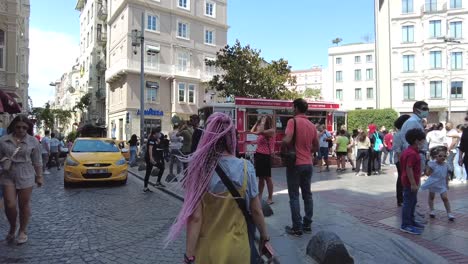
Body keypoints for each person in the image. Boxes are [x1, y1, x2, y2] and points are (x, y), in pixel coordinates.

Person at [165, 112, 270, 263]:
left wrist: (188, 257)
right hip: (238, 251)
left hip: (208, 252)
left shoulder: (199, 170)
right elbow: (256, 210)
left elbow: (195, 218)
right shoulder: (247, 168)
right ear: (231, 138)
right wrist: (264, 236)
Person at [0, 115, 43, 244]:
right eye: (18, 127)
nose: (21, 129)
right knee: (10, 203)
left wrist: (39, 176)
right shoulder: (3, 140)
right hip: (8, 173)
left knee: (23, 204)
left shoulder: (33, 141)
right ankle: (13, 226)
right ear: (13, 126)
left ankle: (22, 230)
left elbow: (37, 160)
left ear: (28, 128)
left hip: (26, 173)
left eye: (24, 127)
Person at [282, 98, 319, 236]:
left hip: (295, 163)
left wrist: (282, 146)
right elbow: (316, 146)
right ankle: (307, 224)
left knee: (294, 196)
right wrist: (306, 151)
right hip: (308, 164)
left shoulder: (293, 121)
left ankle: (297, 227)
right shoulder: (311, 125)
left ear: (296, 108)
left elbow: (287, 139)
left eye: (293, 107)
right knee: (307, 194)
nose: (292, 109)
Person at [399, 128, 427, 235]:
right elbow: (409, 168)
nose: (423, 142)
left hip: (410, 182)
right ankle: (405, 225)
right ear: (416, 141)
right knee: (408, 203)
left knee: (412, 202)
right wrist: (413, 183)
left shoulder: (410, 151)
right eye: (422, 140)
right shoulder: (412, 154)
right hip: (410, 183)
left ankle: (411, 221)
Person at [420, 146, 455, 221]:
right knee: (431, 197)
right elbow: (427, 174)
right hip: (433, 182)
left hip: (442, 183)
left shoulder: (446, 165)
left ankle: (449, 213)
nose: (443, 157)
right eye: (440, 156)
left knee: (445, 198)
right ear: (436, 156)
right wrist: (428, 169)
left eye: (444, 156)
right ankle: (432, 210)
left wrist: (447, 184)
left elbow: (446, 175)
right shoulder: (432, 164)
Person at [251, 115, 275, 205]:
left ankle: (270, 198)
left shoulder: (271, 131)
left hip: (266, 156)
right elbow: (252, 131)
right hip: (259, 155)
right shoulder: (262, 131)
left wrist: (263, 121)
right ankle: (260, 196)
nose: (262, 121)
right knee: (261, 178)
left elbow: (259, 132)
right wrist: (257, 122)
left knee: (267, 178)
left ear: (267, 121)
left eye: (264, 120)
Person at [400, 101, 430, 172]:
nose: (427, 111)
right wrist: (413, 155)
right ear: (416, 110)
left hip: (418, 154)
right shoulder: (412, 122)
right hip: (415, 155)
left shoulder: (417, 122)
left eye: (427, 108)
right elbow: (409, 141)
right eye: (424, 108)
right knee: (413, 180)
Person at [393, 115, 412, 206]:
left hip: (409, 159)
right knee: (402, 178)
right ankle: (400, 199)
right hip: (401, 160)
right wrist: (403, 162)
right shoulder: (398, 135)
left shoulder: (408, 133)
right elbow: (398, 150)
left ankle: (407, 198)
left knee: (408, 178)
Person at [143, 127, 165, 192]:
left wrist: (158, 140)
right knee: (162, 167)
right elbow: (150, 149)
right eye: (159, 133)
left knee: (148, 172)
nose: (160, 134)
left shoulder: (153, 138)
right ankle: (157, 183)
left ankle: (145, 187)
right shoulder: (152, 139)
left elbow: (156, 146)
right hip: (150, 158)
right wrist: (151, 159)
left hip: (150, 157)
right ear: (156, 133)